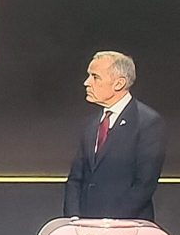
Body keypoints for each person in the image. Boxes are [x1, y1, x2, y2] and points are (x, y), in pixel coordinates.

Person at [64, 51, 166, 221]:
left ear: (119, 83)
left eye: (95, 77)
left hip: (126, 226)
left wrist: (111, 224)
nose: (86, 83)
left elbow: (144, 184)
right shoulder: (91, 125)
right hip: (85, 227)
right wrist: (74, 218)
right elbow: (76, 178)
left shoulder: (148, 123)